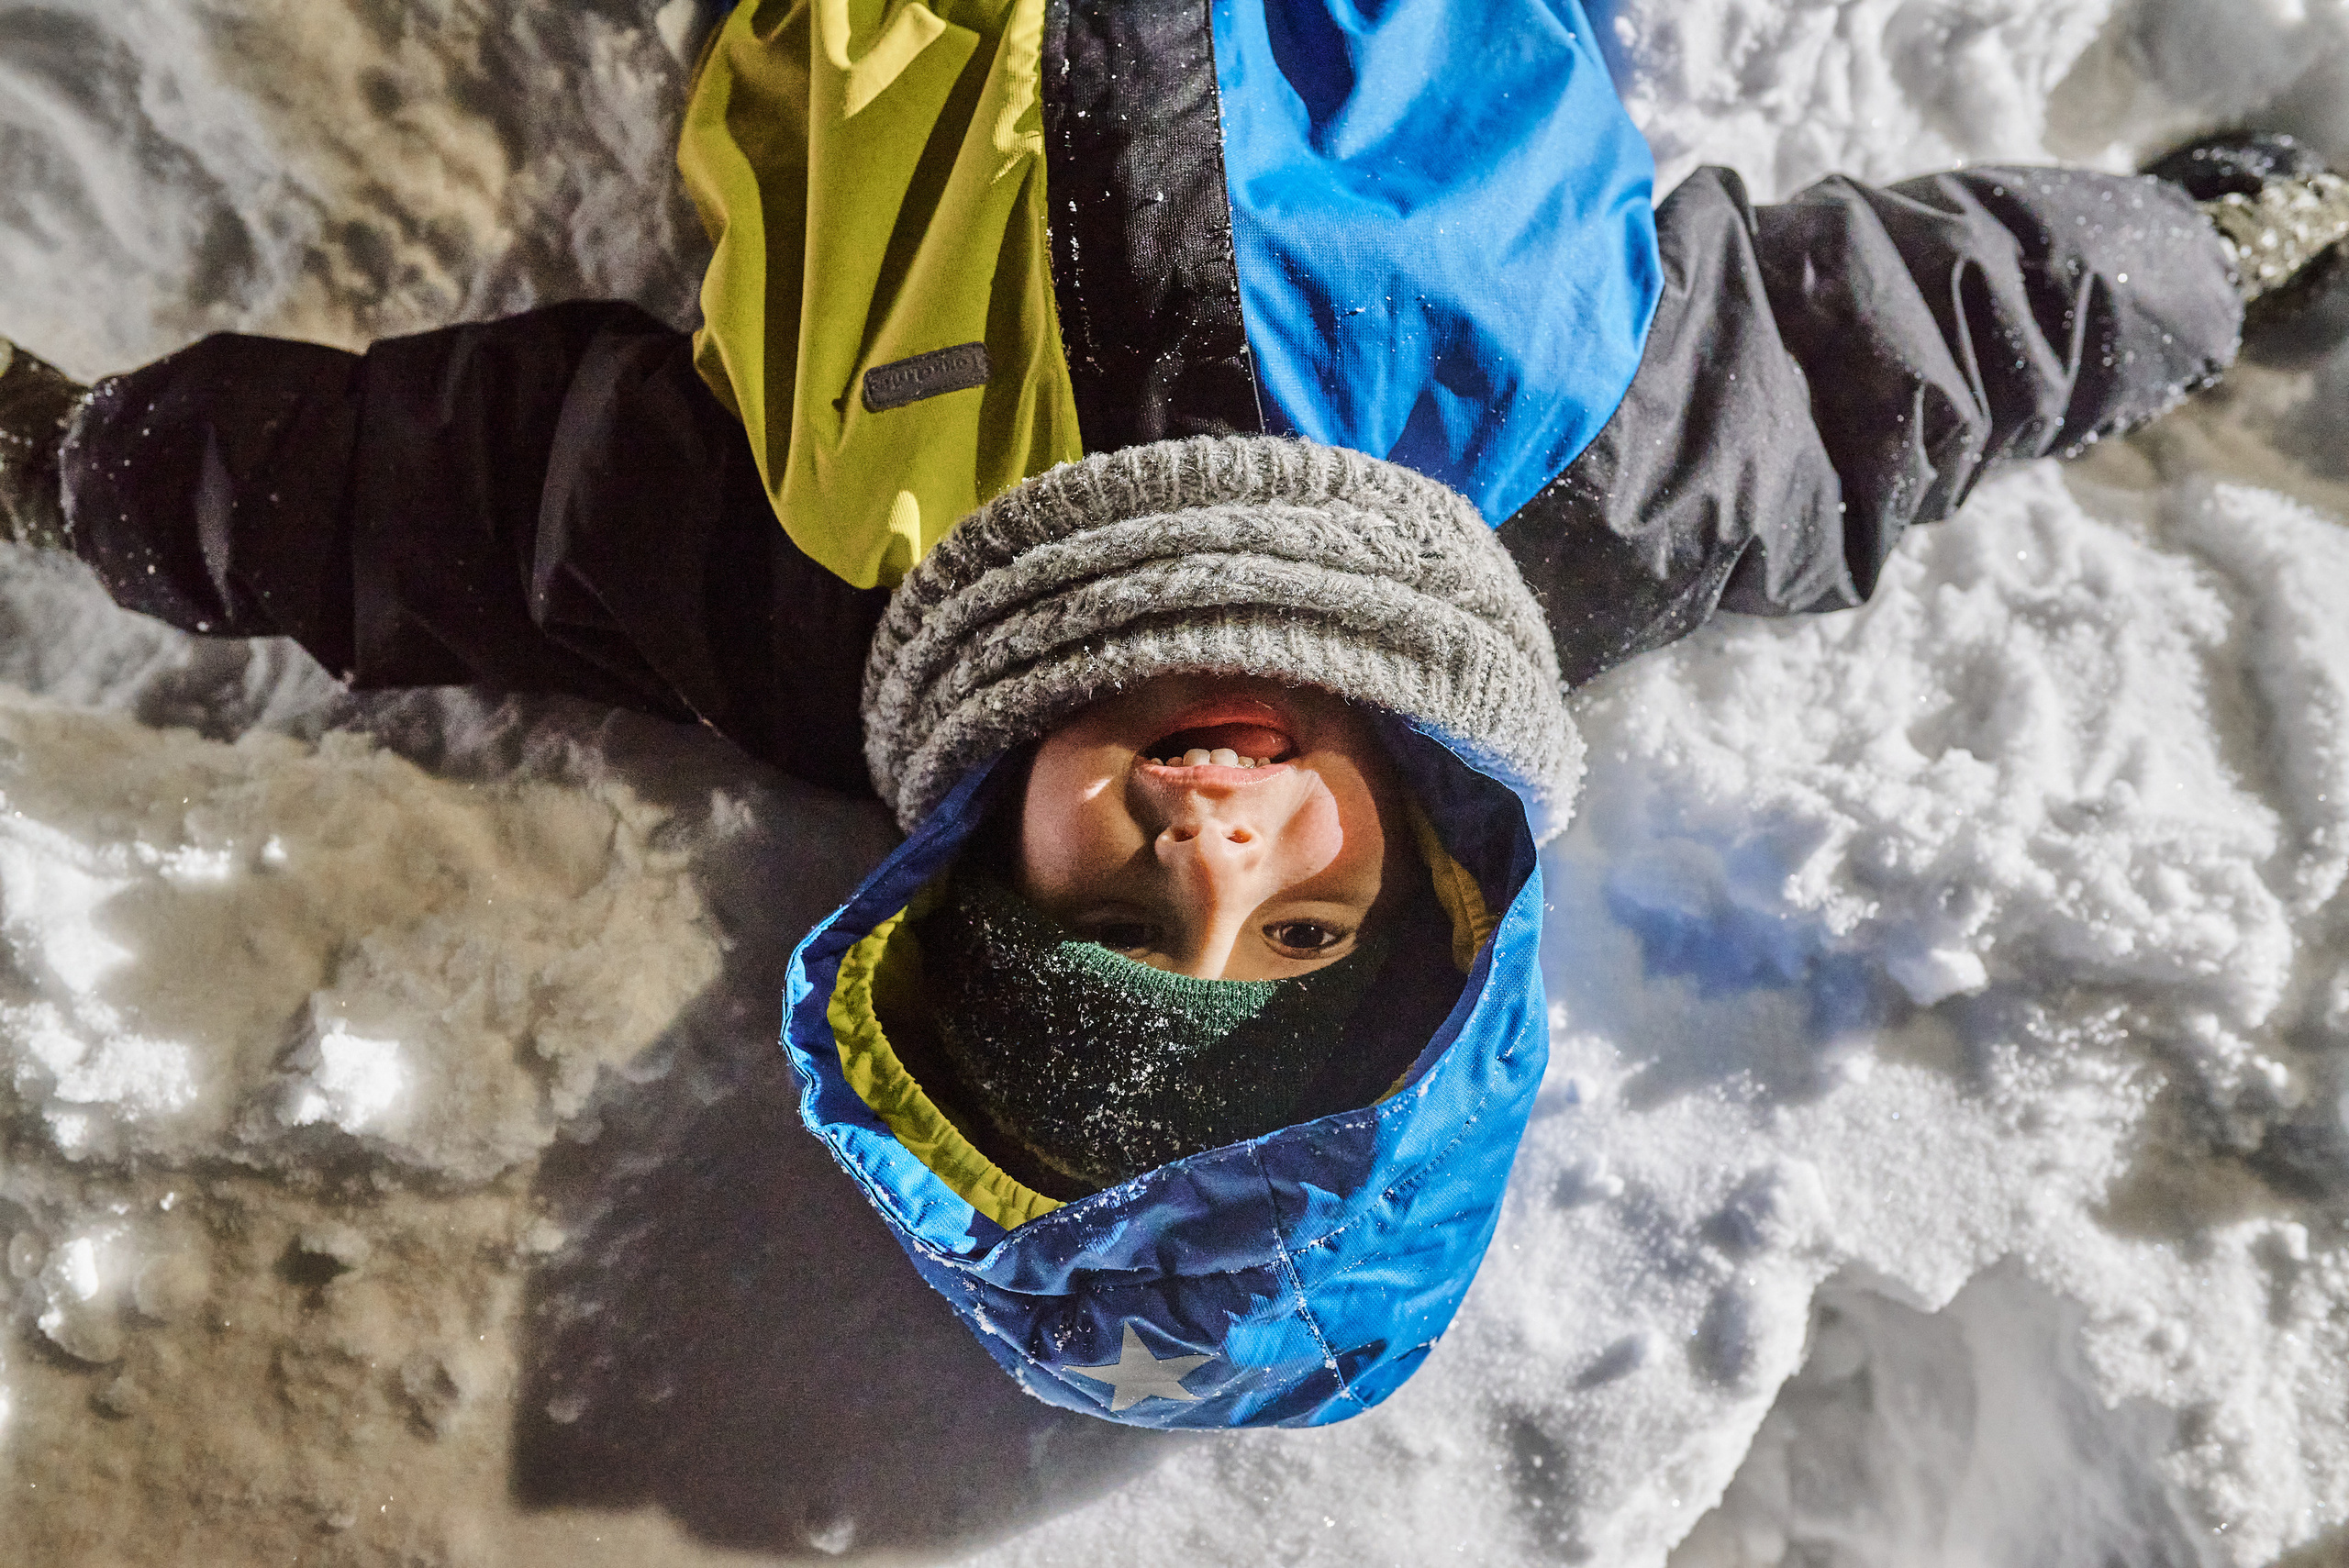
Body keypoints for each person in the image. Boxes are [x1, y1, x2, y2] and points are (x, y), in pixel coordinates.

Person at [1, 0, 2344, 1429]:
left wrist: (83, 466)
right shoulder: (1605, 493)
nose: (1214, 851)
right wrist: (2214, 250)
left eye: (1110, 919)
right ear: (1440, 889)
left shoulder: (815, 605)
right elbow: (1937, 347)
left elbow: (430, 522)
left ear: (955, 898)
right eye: (1307, 945)